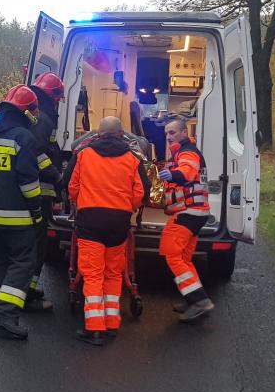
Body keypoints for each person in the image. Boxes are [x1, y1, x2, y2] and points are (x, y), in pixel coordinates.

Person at [65, 116, 148, 346]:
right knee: (113, 273)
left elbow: (72, 187)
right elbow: (139, 193)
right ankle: (111, 324)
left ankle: (94, 329)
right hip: (119, 223)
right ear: (122, 135)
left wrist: (82, 202)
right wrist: (126, 209)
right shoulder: (132, 159)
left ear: (98, 135)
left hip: (90, 220)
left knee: (92, 274)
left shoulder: (84, 155)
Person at [0, 85, 44, 340]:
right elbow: (28, 181)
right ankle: (5, 315)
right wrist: (36, 209)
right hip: (17, 215)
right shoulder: (23, 138)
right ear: (26, 111)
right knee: (23, 262)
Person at [158, 119, 216, 322]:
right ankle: (193, 299)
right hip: (196, 213)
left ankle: (200, 301)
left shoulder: (187, 152)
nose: (168, 136)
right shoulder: (182, 151)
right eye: (166, 133)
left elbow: (187, 172)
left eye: (173, 132)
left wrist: (172, 174)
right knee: (183, 259)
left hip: (188, 213)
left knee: (173, 256)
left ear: (184, 132)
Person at [26, 72, 67, 311]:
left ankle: (28, 287)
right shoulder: (44, 119)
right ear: (53, 96)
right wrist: (56, 174)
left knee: (35, 241)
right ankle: (28, 292)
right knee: (37, 243)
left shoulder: (38, 114)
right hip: (39, 190)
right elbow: (38, 152)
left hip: (38, 189)